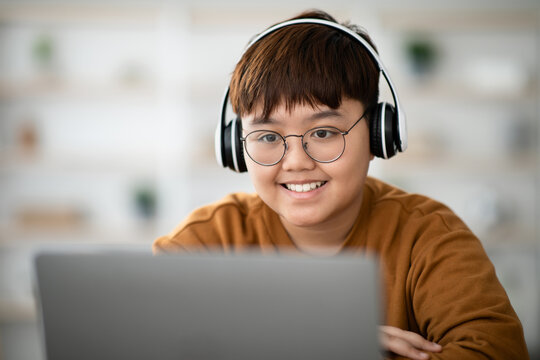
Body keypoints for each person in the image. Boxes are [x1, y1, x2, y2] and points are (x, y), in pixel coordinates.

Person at [153, 9, 529, 360]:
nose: (297, 161)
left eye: (323, 132)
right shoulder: (205, 243)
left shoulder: (428, 235)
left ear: (380, 136)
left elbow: (495, 350)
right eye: (267, 137)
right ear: (235, 147)